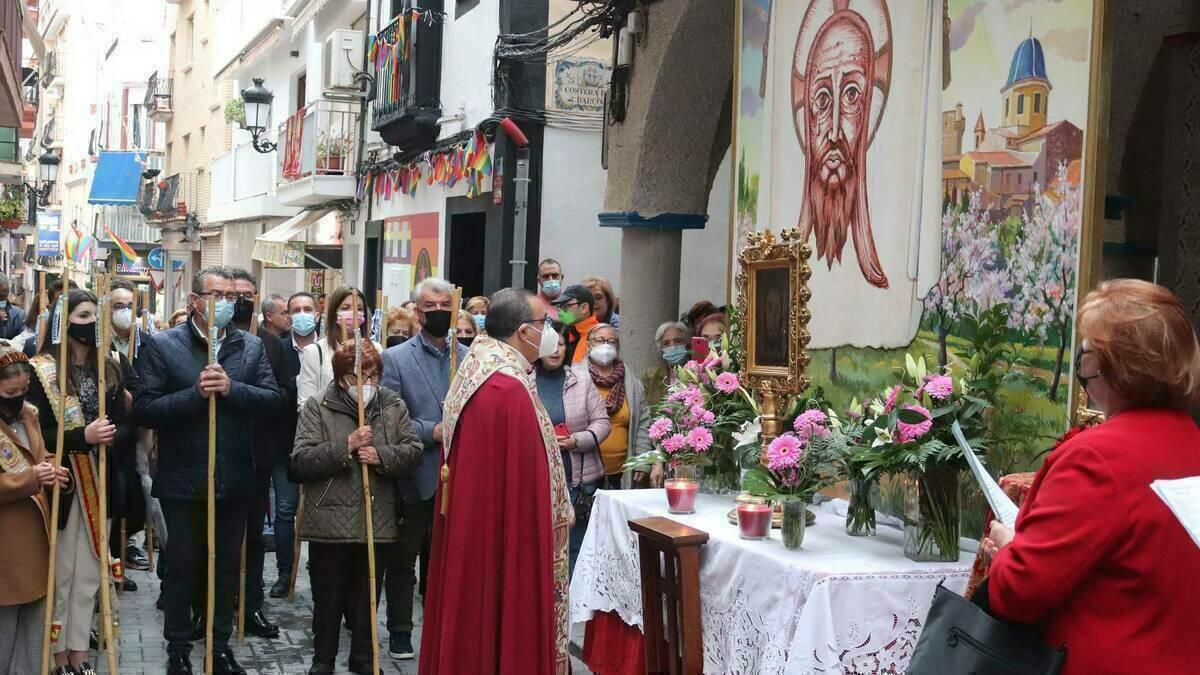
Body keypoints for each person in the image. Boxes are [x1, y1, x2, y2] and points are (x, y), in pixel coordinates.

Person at [981, 280, 1200, 675]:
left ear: (1114, 366)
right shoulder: (1190, 444)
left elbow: (1019, 592)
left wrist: (1008, 546)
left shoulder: (1096, 458)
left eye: (1087, 354)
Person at [133, 266, 282, 675]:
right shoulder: (163, 346)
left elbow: (272, 400)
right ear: (194, 300)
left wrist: (232, 390)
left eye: (231, 297)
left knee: (225, 564)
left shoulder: (249, 348)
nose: (225, 304)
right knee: (183, 565)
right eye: (216, 295)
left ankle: (218, 644)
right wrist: (195, 395)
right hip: (183, 476)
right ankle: (178, 645)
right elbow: (145, 408)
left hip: (233, 475)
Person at [420, 288, 572, 674]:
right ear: (524, 332)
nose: (551, 331)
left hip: (474, 530)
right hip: (502, 538)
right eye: (545, 324)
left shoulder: (480, 368)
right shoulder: (506, 388)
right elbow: (523, 490)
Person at [292, 340, 422, 675]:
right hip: (329, 520)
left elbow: (412, 450)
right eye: (355, 377)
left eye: (372, 376)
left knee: (367, 596)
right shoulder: (319, 406)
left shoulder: (391, 405)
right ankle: (323, 660)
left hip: (375, 518)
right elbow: (301, 461)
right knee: (328, 597)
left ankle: (364, 659)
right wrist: (344, 446)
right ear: (339, 379)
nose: (364, 384)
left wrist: (382, 456)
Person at [28, 290, 135, 675]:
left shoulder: (111, 366)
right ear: (65, 321)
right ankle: (56, 654)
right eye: (83, 315)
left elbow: (126, 424)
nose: (91, 322)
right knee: (63, 571)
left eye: (95, 315)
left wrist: (109, 435)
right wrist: (81, 438)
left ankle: (79, 651)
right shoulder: (41, 370)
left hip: (101, 478)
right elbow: (38, 429)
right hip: (62, 482)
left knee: (90, 571)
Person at [380, 277, 467, 661]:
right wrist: (430, 431)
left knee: (447, 561)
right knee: (403, 560)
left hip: (461, 473)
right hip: (415, 474)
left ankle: (444, 630)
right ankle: (400, 629)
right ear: (417, 313)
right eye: (430, 307)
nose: (438, 313)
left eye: (445, 306)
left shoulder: (469, 356)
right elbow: (388, 416)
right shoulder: (396, 359)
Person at [0, 343, 68, 675]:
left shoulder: (29, 414)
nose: (18, 396)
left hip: (36, 538)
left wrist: (53, 468)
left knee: (34, 639)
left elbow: (38, 456)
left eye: (24, 389)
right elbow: (27, 473)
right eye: (10, 391)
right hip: (4, 547)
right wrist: (30, 479)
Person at [229, 269, 285, 639]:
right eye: (235, 294)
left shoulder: (271, 344)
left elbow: (278, 399)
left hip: (256, 453)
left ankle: (251, 606)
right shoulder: (210, 341)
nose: (241, 301)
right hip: (216, 454)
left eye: (249, 294)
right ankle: (209, 607)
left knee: (251, 535)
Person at [535, 330, 609, 574]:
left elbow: (602, 423)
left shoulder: (580, 378)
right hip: (541, 477)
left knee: (578, 548)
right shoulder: (525, 379)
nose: (555, 350)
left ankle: (573, 607)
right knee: (543, 547)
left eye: (560, 344)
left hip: (580, 479)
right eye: (549, 344)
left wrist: (576, 440)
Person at [269, 291, 318, 599]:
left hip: (320, 443)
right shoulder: (277, 350)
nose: (301, 314)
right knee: (285, 509)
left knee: (319, 509)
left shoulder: (328, 349)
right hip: (284, 441)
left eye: (307, 309)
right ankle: (285, 572)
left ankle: (318, 572)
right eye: (295, 309)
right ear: (287, 315)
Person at [582, 324, 654, 490]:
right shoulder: (575, 378)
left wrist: (642, 461)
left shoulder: (632, 383)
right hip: (586, 472)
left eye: (611, 341)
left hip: (622, 471)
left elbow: (643, 423)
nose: (605, 345)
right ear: (588, 345)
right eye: (599, 340)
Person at [296, 286, 379, 412]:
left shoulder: (375, 349)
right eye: (346, 308)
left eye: (359, 309)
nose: (353, 313)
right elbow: (305, 405)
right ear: (334, 313)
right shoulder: (314, 352)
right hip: (328, 427)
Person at [642, 321, 690, 408]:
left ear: (686, 343)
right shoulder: (650, 376)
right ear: (661, 348)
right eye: (666, 343)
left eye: (678, 341)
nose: (673, 346)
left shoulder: (698, 372)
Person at [554, 284, 599, 365]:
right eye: (559, 307)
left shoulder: (598, 338)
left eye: (566, 306)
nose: (560, 313)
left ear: (584, 308)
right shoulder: (570, 333)